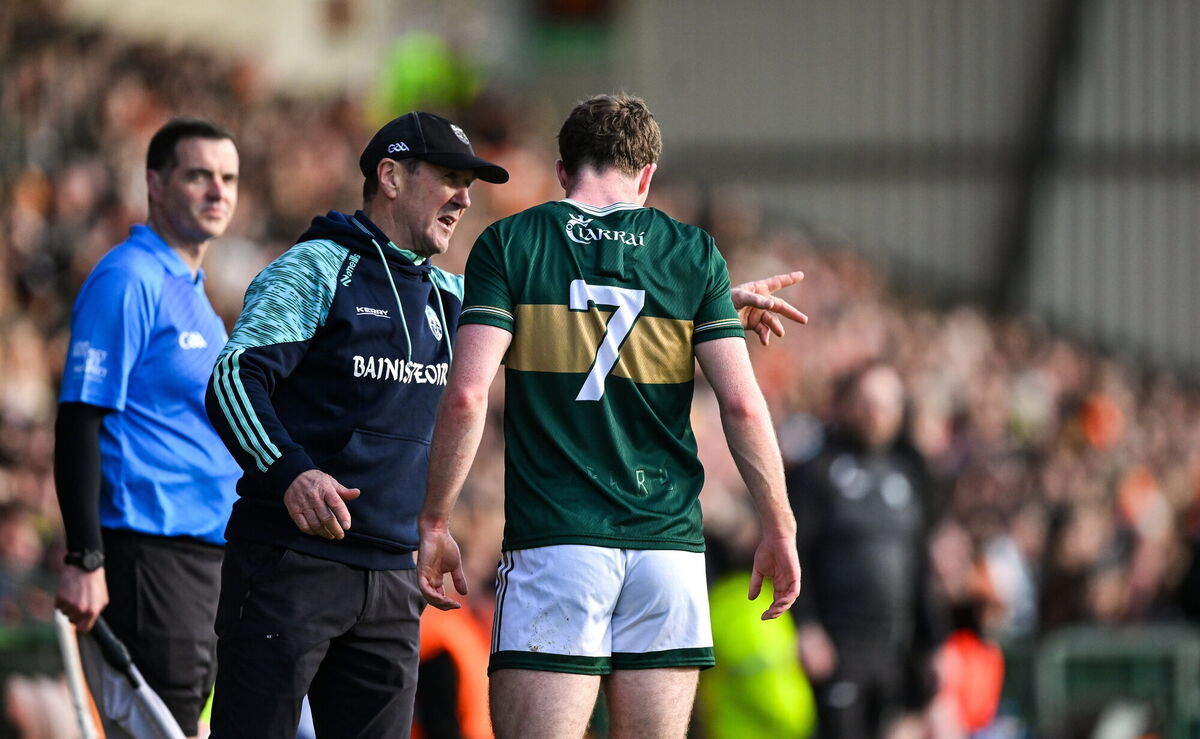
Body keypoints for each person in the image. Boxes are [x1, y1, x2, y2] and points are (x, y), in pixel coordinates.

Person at [205, 108, 805, 739]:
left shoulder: (448, 292)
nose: (465, 199)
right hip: (297, 558)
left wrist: (701, 305)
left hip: (391, 570)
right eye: (448, 178)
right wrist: (290, 473)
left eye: (470, 183)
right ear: (389, 176)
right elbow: (232, 379)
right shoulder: (316, 268)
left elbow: (574, 320)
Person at [416, 94, 802, 739]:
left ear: (563, 169)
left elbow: (465, 395)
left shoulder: (511, 242)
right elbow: (739, 403)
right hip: (668, 553)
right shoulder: (693, 255)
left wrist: (434, 520)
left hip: (558, 544)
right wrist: (779, 526)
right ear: (647, 176)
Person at [53, 117, 243, 738]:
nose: (218, 191)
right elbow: (81, 414)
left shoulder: (192, 291)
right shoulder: (128, 277)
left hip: (205, 556)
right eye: (199, 175)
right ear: (155, 185)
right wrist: (84, 557)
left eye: (228, 178)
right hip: (150, 551)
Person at [786, 361, 945, 739]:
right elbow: (795, 552)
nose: (878, 413)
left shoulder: (912, 472)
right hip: (838, 649)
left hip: (896, 650)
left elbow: (920, 565)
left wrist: (936, 643)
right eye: (867, 401)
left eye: (889, 403)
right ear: (843, 404)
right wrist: (806, 627)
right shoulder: (817, 472)